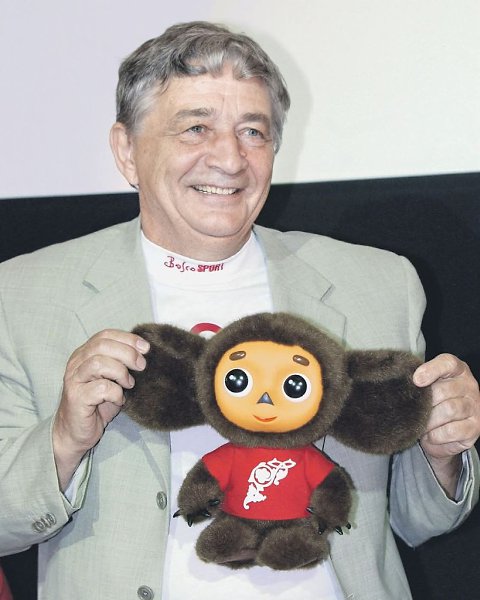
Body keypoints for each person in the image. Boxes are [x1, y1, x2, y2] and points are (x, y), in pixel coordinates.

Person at [0, 21, 479, 600]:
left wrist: (442, 450)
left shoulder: (377, 284)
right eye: (196, 128)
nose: (230, 158)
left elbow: (417, 519)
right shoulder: (24, 294)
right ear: (127, 151)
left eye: (253, 131)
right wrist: (62, 442)